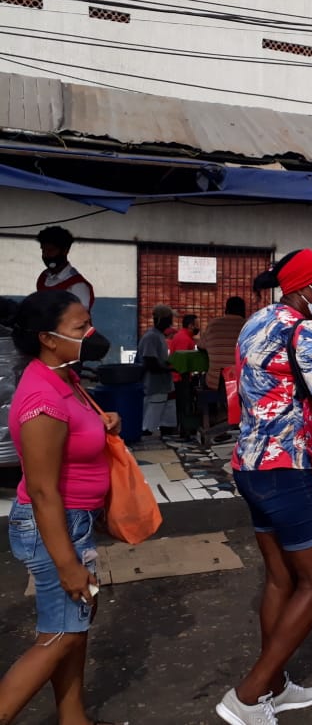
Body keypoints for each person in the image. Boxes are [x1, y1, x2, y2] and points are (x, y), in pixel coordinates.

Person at [218, 248, 312, 725]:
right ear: (305, 289)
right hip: (285, 466)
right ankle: (249, 694)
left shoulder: (256, 321)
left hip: (250, 462)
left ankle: (275, 688)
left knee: (282, 577)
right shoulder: (303, 329)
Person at [0, 290, 119, 724]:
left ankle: (74, 719)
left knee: (77, 622)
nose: (90, 334)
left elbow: (75, 432)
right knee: (63, 632)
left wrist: (102, 422)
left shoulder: (64, 377)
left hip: (75, 522)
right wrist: (68, 564)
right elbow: (44, 490)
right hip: (56, 526)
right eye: (78, 327)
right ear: (48, 339)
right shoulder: (42, 399)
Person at [137, 304, 177, 438]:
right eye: (170, 319)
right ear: (162, 320)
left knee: (167, 420)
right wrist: (170, 368)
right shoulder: (151, 337)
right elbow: (150, 363)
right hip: (154, 386)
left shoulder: (158, 335)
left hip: (163, 385)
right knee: (149, 425)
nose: (171, 322)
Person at [35, 226, 95, 311]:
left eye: (51, 250)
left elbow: (79, 320)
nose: (46, 255)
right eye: (43, 251)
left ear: (65, 251)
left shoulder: (77, 285)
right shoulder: (43, 277)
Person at [198, 296, 247, 392]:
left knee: (202, 380)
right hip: (242, 382)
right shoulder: (248, 325)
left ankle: (212, 407)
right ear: (243, 311)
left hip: (216, 382)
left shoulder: (213, 324)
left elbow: (200, 346)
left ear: (226, 310)